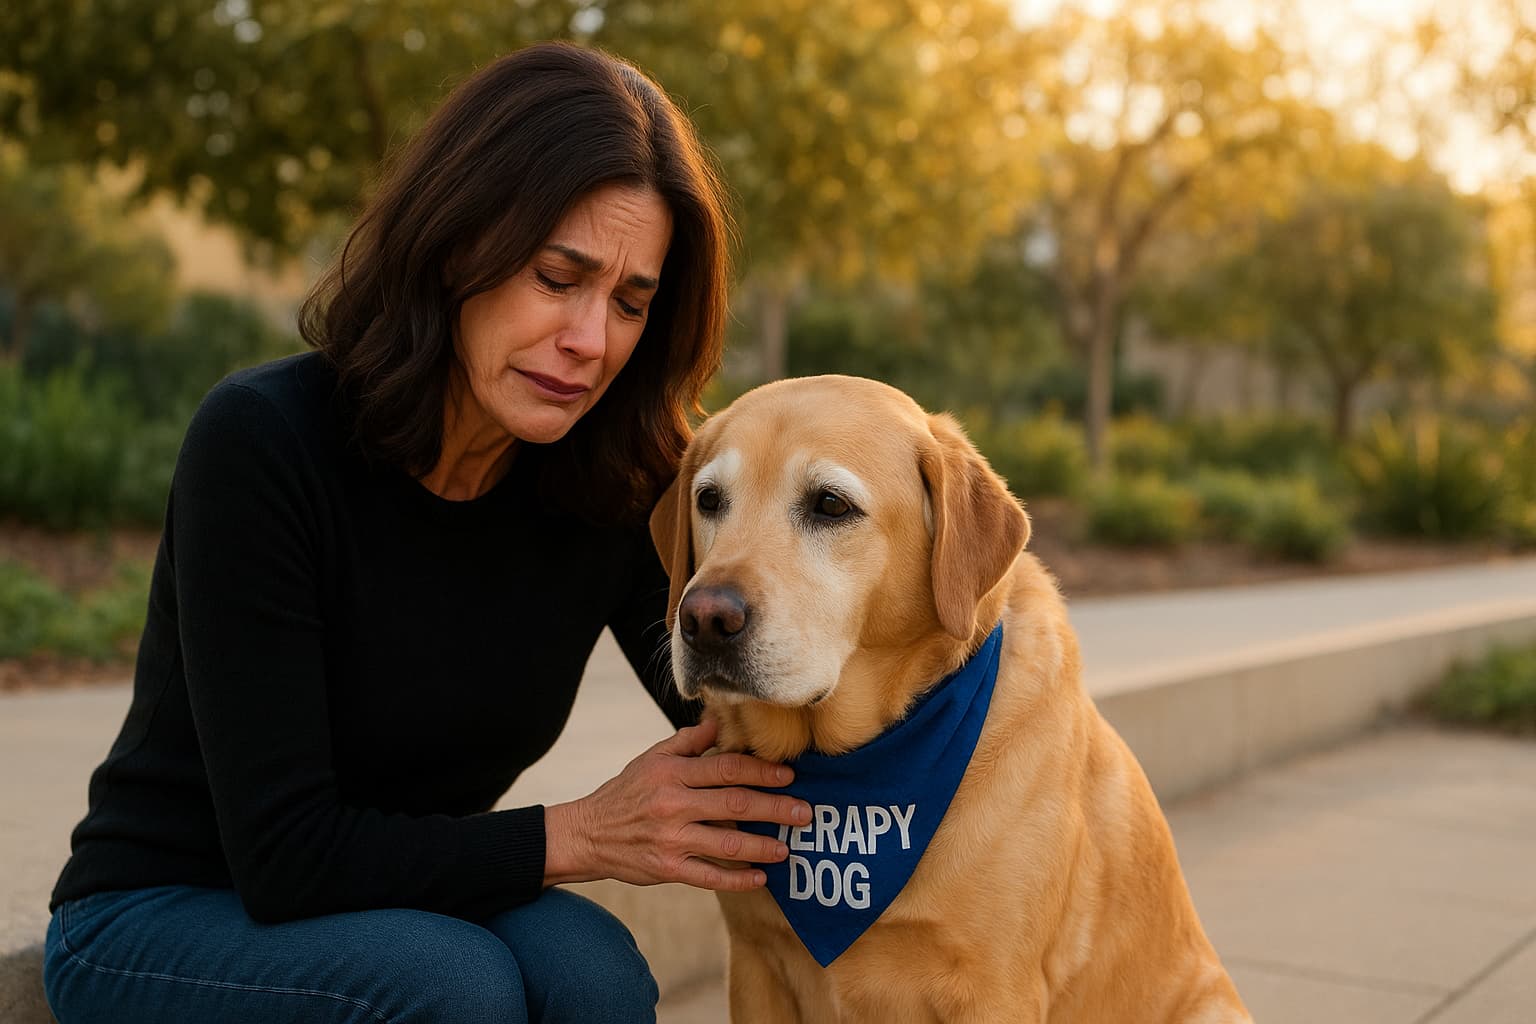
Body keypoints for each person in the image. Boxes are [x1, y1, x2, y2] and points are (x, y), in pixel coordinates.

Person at [42, 42, 810, 1024]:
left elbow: (735, 714)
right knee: (453, 986)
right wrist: (580, 833)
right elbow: (283, 857)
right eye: (555, 276)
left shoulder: (615, 480)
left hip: (404, 895)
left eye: (629, 301)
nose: (591, 340)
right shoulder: (264, 442)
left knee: (595, 969)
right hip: (164, 909)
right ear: (457, 245)